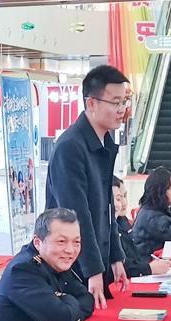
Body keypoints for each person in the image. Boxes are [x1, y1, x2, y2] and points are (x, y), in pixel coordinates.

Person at [45, 64, 131, 308]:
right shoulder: (71, 147)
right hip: (71, 265)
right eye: (115, 102)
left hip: (93, 260)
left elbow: (106, 207)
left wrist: (115, 256)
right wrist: (92, 269)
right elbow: (76, 215)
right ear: (91, 103)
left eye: (124, 102)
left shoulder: (103, 142)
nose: (122, 109)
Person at [0, 209, 96, 321]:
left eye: (76, 242)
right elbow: (61, 318)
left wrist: (56, 311)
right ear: (38, 242)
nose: (70, 250)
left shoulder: (55, 260)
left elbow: (87, 299)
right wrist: (58, 308)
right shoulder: (23, 269)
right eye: (61, 242)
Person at [113, 176, 169, 278]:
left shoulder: (122, 221)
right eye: (118, 198)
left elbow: (133, 256)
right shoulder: (149, 214)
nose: (123, 203)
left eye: (124, 196)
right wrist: (149, 268)